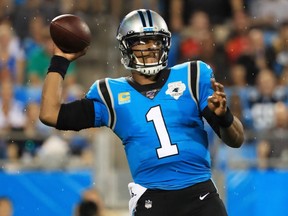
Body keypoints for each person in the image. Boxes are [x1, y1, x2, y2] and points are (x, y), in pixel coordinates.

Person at [39, 9, 244, 216]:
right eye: (143, 41)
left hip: (200, 194)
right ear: (127, 47)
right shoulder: (110, 94)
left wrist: (224, 116)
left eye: (156, 40)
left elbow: (237, 140)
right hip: (153, 199)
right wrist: (60, 60)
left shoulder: (192, 76)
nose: (152, 47)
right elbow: (50, 114)